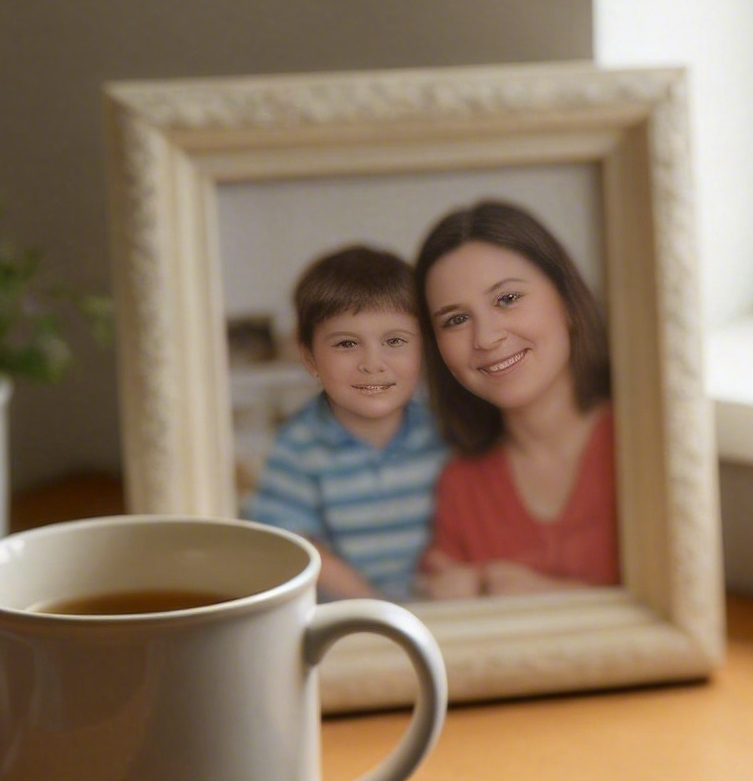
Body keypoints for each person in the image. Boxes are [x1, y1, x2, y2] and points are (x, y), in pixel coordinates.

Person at [412, 201, 617, 598]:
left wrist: (544, 596)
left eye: (507, 299)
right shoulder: (460, 486)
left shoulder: (644, 444)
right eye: (456, 320)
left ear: (567, 299)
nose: (486, 338)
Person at [244, 246, 448, 600]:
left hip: (438, 614)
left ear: (425, 347)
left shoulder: (441, 433)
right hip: (348, 616)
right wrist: (374, 608)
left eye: (395, 341)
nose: (373, 363)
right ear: (310, 357)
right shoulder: (299, 447)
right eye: (347, 344)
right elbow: (291, 542)